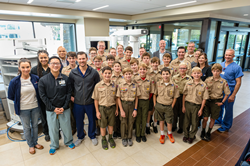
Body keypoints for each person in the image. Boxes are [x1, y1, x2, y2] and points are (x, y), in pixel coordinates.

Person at [38, 56, 75, 155]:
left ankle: (69, 141)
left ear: (61, 65)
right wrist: (53, 108)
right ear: (49, 65)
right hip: (51, 109)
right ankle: (54, 145)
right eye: (53, 63)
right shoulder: (43, 80)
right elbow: (43, 96)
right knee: (53, 128)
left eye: (57, 63)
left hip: (64, 108)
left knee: (66, 126)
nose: (55, 65)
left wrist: (64, 106)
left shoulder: (65, 78)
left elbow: (68, 93)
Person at [8, 58, 43, 155]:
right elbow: (11, 96)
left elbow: (39, 92)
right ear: (19, 68)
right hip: (23, 109)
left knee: (35, 126)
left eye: (27, 67)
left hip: (35, 107)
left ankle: (35, 142)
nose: (26, 69)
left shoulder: (35, 78)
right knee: (27, 127)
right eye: (23, 67)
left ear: (30, 67)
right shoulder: (14, 81)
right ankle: (30, 145)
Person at [69, 52, 100, 146]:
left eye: (83, 58)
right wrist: (71, 97)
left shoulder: (94, 72)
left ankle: (92, 135)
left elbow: (97, 86)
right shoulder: (73, 72)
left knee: (91, 120)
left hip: (90, 102)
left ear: (87, 58)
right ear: (77, 60)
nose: (82, 61)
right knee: (79, 121)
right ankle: (80, 136)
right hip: (78, 102)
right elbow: (69, 86)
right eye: (80, 59)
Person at [216, 49, 244, 132]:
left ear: (233, 56)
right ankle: (218, 120)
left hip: (229, 90)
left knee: (228, 109)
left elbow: (238, 82)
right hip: (220, 90)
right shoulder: (221, 65)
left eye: (230, 55)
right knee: (219, 106)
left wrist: (233, 94)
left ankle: (226, 125)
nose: (227, 56)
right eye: (226, 54)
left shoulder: (236, 67)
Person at [92, 66, 118, 150]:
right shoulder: (98, 85)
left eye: (109, 73)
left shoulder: (114, 85)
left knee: (111, 124)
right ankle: (103, 139)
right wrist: (97, 111)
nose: (107, 75)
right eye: (105, 73)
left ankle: (110, 138)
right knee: (102, 125)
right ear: (102, 74)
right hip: (102, 108)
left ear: (111, 74)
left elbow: (117, 98)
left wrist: (117, 109)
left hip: (112, 108)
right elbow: (96, 99)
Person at [202, 63, 230, 141]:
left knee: (213, 119)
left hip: (216, 102)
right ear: (212, 71)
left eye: (217, 71)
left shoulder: (223, 81)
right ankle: (203, 131)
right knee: (205, 118)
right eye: (214, 71)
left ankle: (208, 132)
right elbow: (203, 90)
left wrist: (222, 102)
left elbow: (227, 93)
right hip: (207, 101)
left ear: (220, 71)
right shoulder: (208, 80)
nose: (216, 73)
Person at [182, 67, 209, 144]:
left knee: (195, 122)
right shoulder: (188, 83)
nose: (196, 75)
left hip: (197, 106)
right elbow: (184, 95)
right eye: (194, 73)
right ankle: (186, 135)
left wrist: (201, 109)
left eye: (198, 73)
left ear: (201, 74)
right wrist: (183, 106)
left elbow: (204, 98)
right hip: (187, 105)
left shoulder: (203, 85)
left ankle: (191, 136)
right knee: (186, 121)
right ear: (191, 74)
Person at [154, 67, 179, 144]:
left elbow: (175, 96)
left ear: (170, 74)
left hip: (168, 106)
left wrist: (172, 106)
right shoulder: (158, 84)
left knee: (169, 122)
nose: (165, 76)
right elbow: (155, 94)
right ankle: (162, 135)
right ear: (161, 75)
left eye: (167, 74)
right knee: (161, 121)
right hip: (159, 105)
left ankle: (169, 133)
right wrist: (155, 104)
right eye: (163, 74)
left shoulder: (174, 85)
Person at [117, 68, 140, 147]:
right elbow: (118, 98)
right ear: (123, 75)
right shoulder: (120, 85)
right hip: (124, 105)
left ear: (132, 75)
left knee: (131, 122)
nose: (128, 75)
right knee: (123, 122)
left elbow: (136, 98)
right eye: (126, 74)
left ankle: (129, 137)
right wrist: (121, 110)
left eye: (129, 74)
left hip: (132, 105)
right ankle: (124, 137)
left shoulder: (135, 85)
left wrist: (135, 109)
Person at [31, 50, 50, 142]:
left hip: (53, 96)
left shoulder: (52, 67)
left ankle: (56, 131)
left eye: (45, 57)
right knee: (43, 115)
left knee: (54, 115)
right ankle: (46, 132)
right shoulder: (34, 70)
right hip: (41, 97)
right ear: (38, 58)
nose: (43, 59)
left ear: (48, 57)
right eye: (41, 57)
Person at [134, 63, 155, 143]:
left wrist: (148, 99)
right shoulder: (135, 79)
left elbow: (151, 92)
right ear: (138, 70)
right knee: (138, 118)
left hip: (146, 101)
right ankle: (138, 134)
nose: (142, 71)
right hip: (137, 101)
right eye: (141, 69)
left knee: (144, 118)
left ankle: (143, 134)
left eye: (144, 69)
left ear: (146, 70)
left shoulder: (150, 79)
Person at [172, 62, 192, 134]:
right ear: (178, 69)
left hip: (184, 97)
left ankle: (181, 127)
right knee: (174, 112)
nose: (182, 70)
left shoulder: (189, 78)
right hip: (175, 97)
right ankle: (174, 126)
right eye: (181, 68)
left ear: (186, 69)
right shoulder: (174, 77)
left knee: (182, 113)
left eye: (184, 68)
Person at [61, 52, 78, 135]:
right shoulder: (64, 70)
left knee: (79, 112)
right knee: (71, 112)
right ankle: (73, 128)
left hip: (79, 93)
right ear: (67, 59)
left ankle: (80, 127)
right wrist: (70, 96)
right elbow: (62, 83)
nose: (72, 60)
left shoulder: (80, 68)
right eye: (70, 58)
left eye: (73, 58)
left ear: (76, 59)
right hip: (69, 93)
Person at [146, 57, 162, 135]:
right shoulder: (148, 72)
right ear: (151, 63)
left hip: (159, 94)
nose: (155, 64)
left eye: (157, 63)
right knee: (149, 111)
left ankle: (155, 125)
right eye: (153, 63)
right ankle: (147, 125)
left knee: (156, 110)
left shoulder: (161, 73)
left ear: (158, 64)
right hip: (150, 94)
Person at [111, 61, 124, 139]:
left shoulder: (123, 77)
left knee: (120, 116)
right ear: (113, 67)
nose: (117, 67)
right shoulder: (110, 76)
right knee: (114, 115)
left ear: (120, 67)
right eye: (115, 66)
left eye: (118, 66)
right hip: (112, 99)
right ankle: (115, 131)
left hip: (121, 98)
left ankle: (120, 131)